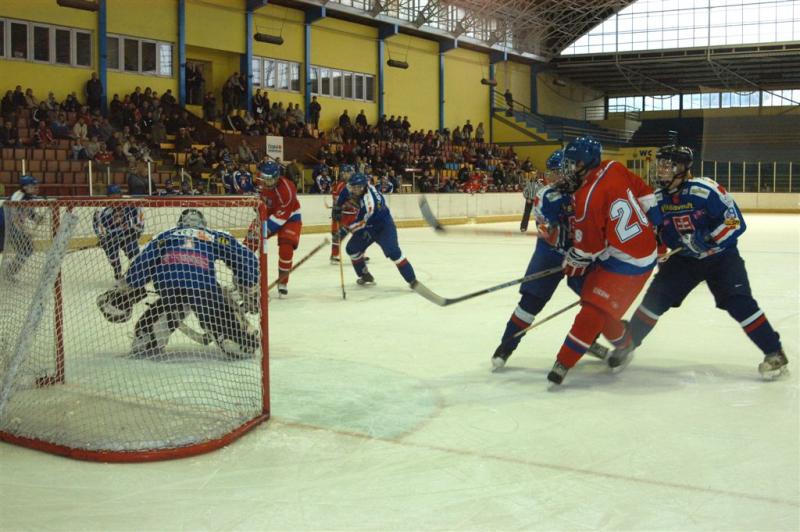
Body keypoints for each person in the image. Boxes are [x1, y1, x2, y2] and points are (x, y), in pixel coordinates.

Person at [606, 144, 788, 379]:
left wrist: (708, 239)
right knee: (653, 301)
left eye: (667, 165)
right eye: (659, 165)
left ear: (682, 168)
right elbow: (654, 231)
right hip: (684, 261)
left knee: (740, 303)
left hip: (721, 258)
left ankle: (775, 352)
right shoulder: (658, 198)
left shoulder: (705, 190)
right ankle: (628, 345)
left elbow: (735, 222)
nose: (660, 171)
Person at [547, 136, 659, 385]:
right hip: (634, 250)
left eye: (572, 164)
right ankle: (625, 344)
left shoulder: (586, 198)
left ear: (586, 163)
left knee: (593, 312)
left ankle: (563, 362)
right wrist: (656, 221)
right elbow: (643, 191)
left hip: (628, 262)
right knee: (605, 313)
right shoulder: (614, 167)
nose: (568, 169)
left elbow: (591, 247)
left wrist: (574, 258)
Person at [97, 209, 261, 360]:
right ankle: (233, 336)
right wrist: (249, 286)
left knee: (167, 311)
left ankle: (147, 337)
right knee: (214, 299)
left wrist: (128, 287)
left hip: (170, 288)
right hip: (202, 286)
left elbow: (142, 263)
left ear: (179, 223)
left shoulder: (165, 236)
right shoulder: (214, 235)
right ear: (203, 224)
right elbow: (245, 258)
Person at [492, 150, 586, 368]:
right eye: (551, 172)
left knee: (596, 301)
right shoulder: (547, 195)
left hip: (582, 257)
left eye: (557, 172)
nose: (552, 177)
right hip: (550, 255)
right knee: (529, 303)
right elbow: (547, 228)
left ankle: (588, 338)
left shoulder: (585, 192)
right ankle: (506, 346)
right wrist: (554, 233)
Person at [335, 173, 416, 287]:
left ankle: (412, 280)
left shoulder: (370, 203)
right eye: (352, 187)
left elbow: (362, 223)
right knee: (352, 249)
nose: (352, 190)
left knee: (393, 252)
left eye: (355, 188)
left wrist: (345, 230)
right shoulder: (360, 186)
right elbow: (345, 191)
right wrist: (338, 207)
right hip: (369, 227)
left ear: (361, 187)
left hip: (383, 227)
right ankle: (364, 275)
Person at [250, 161, 302, 297]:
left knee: (286, 249)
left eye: (269, 179)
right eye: (264, 178)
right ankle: (243, 280)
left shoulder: (287, 189)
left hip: (290, 218)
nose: (266, 181)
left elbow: (281, 217)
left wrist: (264, 230)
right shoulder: (261, 182)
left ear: (277, 177)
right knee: (248, 244)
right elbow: (258, 200)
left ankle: (282, 282)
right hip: (267, 214)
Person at [93, 184, 144, 280]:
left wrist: (136, 230)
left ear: (121, 195)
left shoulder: (130, 204)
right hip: (111, 237)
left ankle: (136, 274)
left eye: (117, 196)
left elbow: (139, 217)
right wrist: (103, 238)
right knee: (113, 257)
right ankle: (117, 272)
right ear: (108, 197)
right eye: (112, 197)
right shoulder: (101, 209)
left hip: (127, 234)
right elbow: (97, 225)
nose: (115, 199)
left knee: (134, 254)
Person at [1, 176, 45, 280]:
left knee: (27, 249)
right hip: (3, 226)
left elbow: (29, 213)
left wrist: (38, 218)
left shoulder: (28, 197)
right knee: (26, 248)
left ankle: (9, 272)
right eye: (33, 186)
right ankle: (9, 272)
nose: (36, 188)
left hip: (9, 227)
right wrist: (26, 230)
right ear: (25, 187)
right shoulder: (18, 196)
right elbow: (13, 218)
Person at [329, 164, 353, 264]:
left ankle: (360, 254)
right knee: (337, 235)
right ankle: (334, 255)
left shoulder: (353, 183)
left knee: (359, 234)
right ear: (343, 174)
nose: (350, 175)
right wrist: (337, 210)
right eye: (348, 173)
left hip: (354, 214)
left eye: (351, 173)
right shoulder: (339, 185)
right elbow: (336, 200)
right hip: (342, 215)